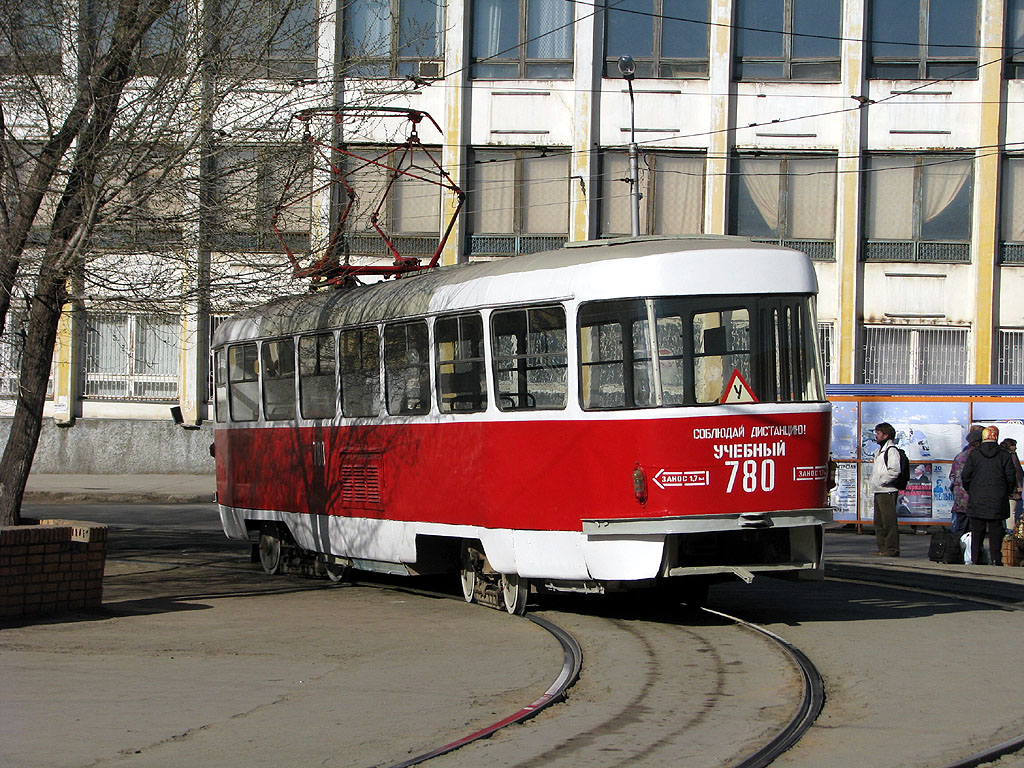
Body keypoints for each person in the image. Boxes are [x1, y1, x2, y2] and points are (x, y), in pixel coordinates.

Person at [961, 426, 1017, 566]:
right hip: (998, 499)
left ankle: (975, 558)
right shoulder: (1004, 455)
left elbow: (965, 476)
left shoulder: (974, 454)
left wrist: (970, 490)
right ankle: (995, 559)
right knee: (996, 531)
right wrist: (1006, 492)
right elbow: (1011, 477)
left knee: (977, 531)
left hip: (977, 498)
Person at [869, 422, 901, 557]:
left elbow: (895, 470)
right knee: (879, 522)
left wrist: (882, 481)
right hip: (879, 490)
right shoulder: (880, 450)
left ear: (886, 435)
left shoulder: (891, 450)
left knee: (889, 522)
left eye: (878, 433)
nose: (876, 436)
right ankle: (883, 548)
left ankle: (892, 548)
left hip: (887, 490)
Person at [949, 425, 983, 536]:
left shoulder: (960, 456)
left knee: (959, 529)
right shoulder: (978, 457)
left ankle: (956, 551)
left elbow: (952, 476)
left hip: (959, 497)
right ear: (978, 443)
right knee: (973, 532)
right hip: (973, 497)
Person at [1000, 438, 1023, 526]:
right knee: (1012, 511)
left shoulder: (1000, 455)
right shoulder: (1012, 455)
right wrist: (1019, 487)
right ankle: (1010, 534)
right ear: (1011, 446)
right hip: (1013, 489)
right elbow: (1018, 473)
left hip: (1002, 487)